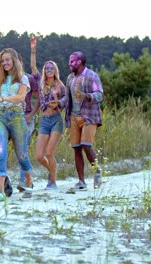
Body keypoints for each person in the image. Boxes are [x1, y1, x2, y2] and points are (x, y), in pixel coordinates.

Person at [0, 48, 33, 201]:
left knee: (22, 154)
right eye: (2, 61)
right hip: (0, 117)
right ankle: (1, 192)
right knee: (0, 152)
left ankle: (29, 183)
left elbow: (21, 97)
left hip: (17, 117)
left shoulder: (23, 78)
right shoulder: (0, 79)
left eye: (7, 60)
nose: (5, 63)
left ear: (14, 60)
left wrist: (2, 99)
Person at [65, 51, 103, 191]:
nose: (70, 64)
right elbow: (67, 97)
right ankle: (81, 181)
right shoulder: (70, 78)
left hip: (89, 116)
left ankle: (97, 171)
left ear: (79, 61)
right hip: (74, 117)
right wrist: (59, 103)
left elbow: (99, 94)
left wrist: (87, 96)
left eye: (72, 61)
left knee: (87, 145)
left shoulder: (92, 76)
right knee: (76, 148)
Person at [35, 60, 67, 190]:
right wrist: (33, 51)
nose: (49, 70)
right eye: (47, 68)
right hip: (43, 120)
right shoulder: (41, 83)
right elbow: (33, 67)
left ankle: (52, 182)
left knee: (49, 153)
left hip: (56, 119)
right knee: (39, 156)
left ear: (55, 70)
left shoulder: (60, 85)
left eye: (51, 68)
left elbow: (66, 99)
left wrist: (58, 102)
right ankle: (52, 172)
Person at [17, 35, 40, 197]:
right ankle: (19, 182)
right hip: (10, 118)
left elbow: (40, 100)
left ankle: (26, 183)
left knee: (22, 149)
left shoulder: (29, 79)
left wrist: (31, 115)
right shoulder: (7, 80)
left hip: (26, 117)